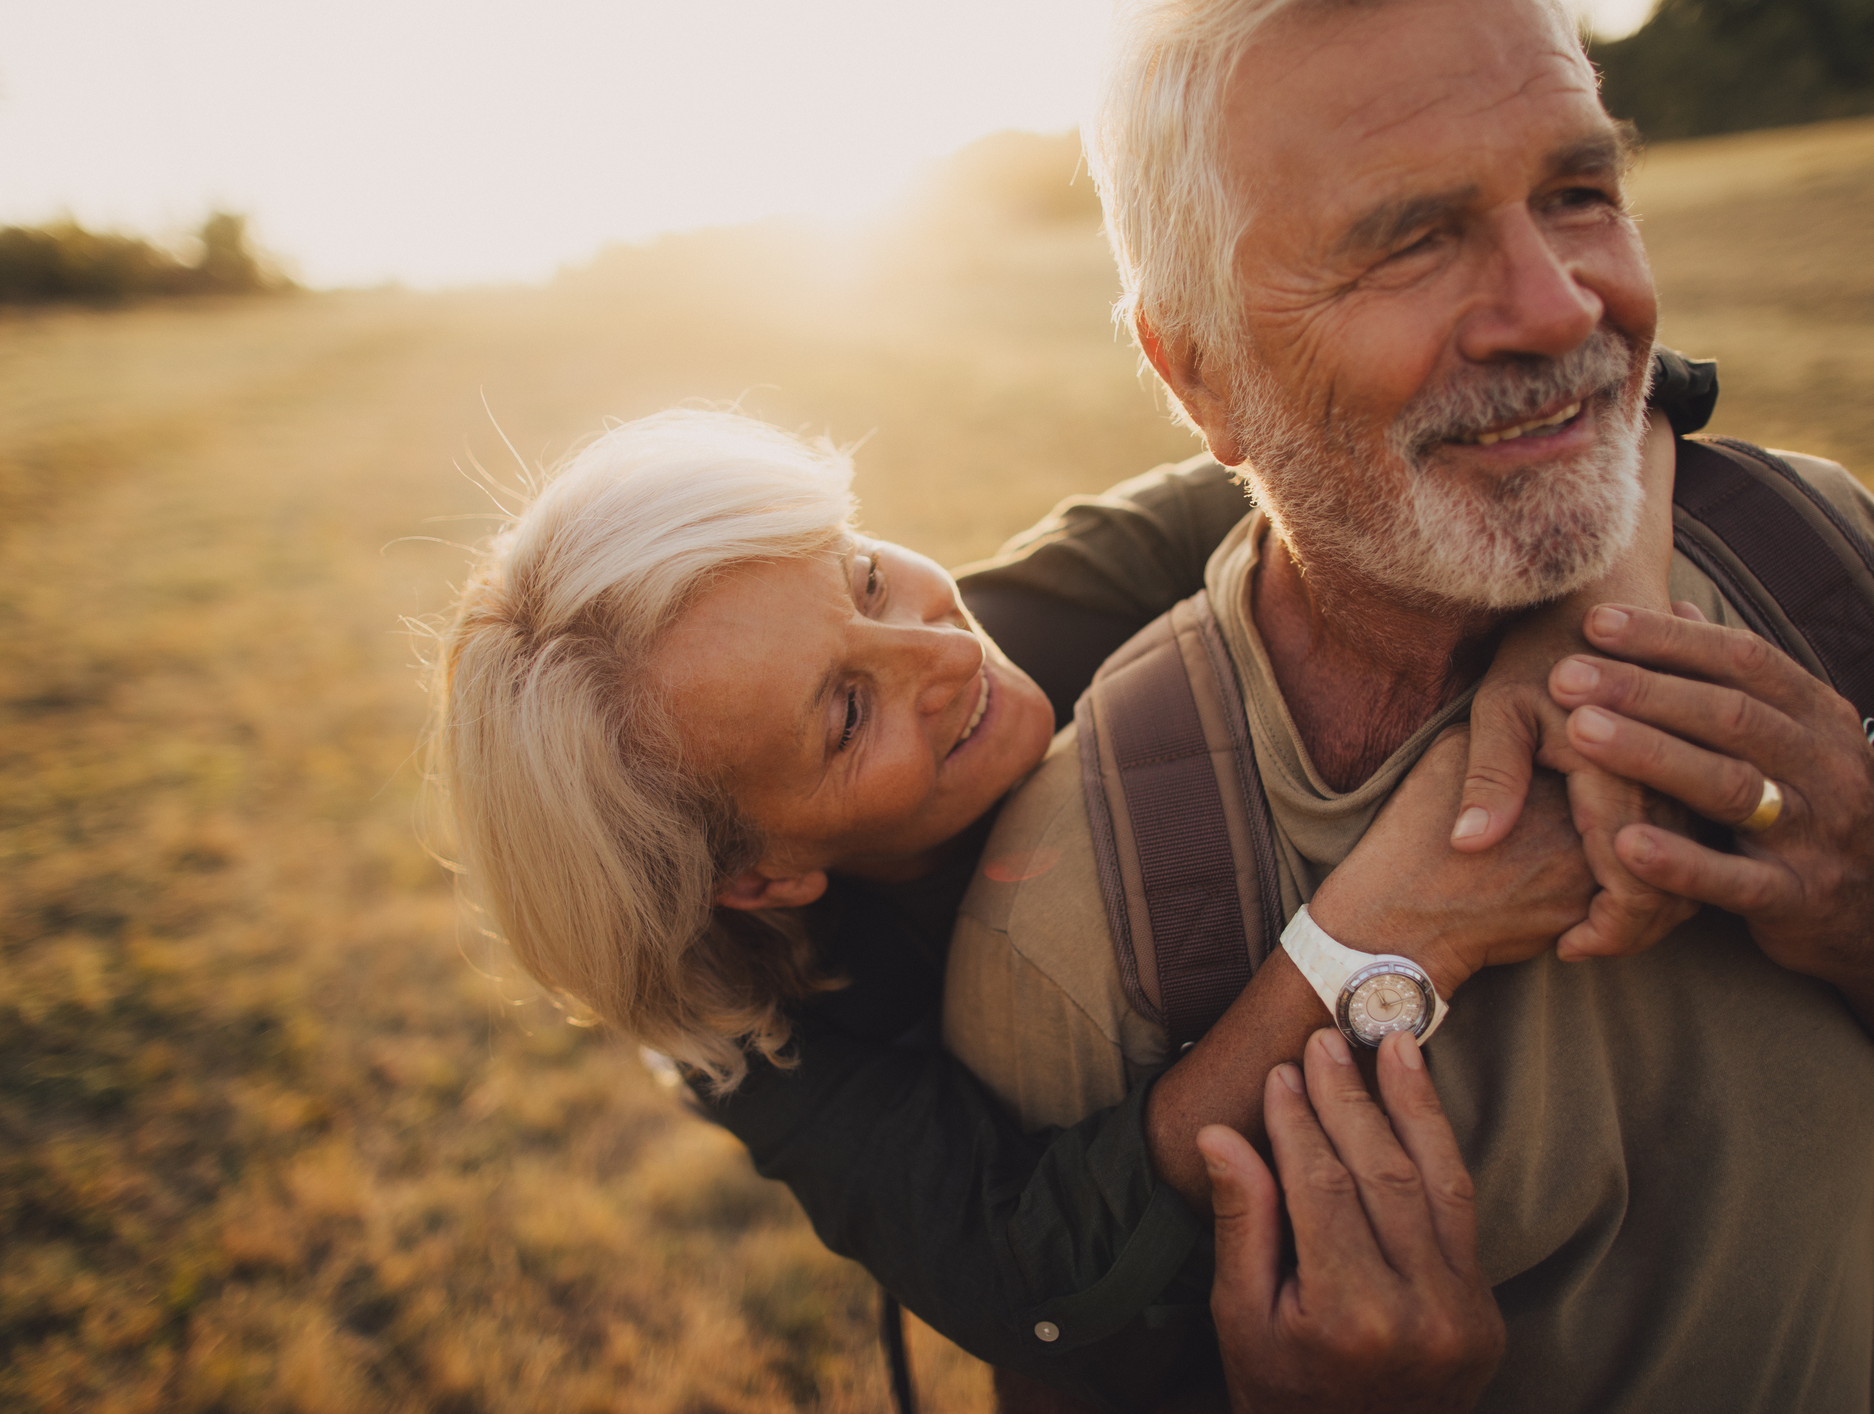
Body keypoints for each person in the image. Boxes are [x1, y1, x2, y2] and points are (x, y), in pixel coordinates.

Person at [942, 0, 1874, 1409]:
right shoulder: (1083, 916)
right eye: (1407, 237)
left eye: (1579, 194)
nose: (1560, 307)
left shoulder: (1819, 570)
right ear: (1198, 371)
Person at [426, 389, 1689, 1408]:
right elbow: (1029, 1277)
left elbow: (1557, 388)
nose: (944, 649)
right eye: (847, 713)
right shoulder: (753, 1033)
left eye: (864, 577)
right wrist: (1391, 928)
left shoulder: (1053, 594)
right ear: (763, 876)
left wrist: (1592, 632)